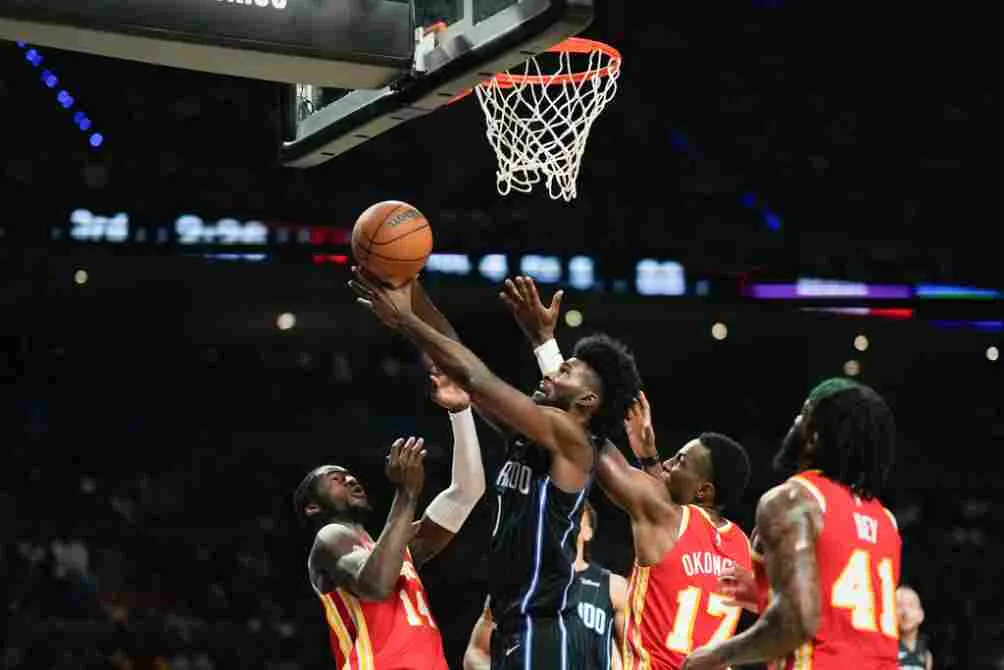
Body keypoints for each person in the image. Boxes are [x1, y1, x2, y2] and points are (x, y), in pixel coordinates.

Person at [349, 270, 642, 670]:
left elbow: (476, 378)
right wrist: (411, 286)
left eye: (565, 372)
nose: (552, 372)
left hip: (543, 631)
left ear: (587, 401)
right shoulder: (530, 437)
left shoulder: (572, 439)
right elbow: (461, 362)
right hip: (512, 629)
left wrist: (406, 321)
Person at [500, 275, 754, 670]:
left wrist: (546, 348)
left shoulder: (666, 516)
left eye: (679, 462)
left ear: (704, 490)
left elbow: (585, 438)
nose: (668, 463)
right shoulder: (741, 546)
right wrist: (649, 459)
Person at [682, 377, 900, 670]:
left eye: (803, 414)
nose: (795, 421)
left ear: (814, 436)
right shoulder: (886, 521)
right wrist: (760, 589)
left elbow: (797, 621)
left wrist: (717, 656)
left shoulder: (794, 499)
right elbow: (841, 618)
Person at [293, 369, 485, 670]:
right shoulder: (330, 538)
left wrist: (461, 412)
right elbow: (376, 585)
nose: (349, 478)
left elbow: (467, 492)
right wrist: (406, 494)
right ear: (312, 507)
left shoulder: (398, 549)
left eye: (350, 474)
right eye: (335, 478)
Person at [463, 501, 629, 670]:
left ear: (588, 531)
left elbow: (634, 657)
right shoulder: (514, 580)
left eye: (573, 515)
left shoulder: (613, 586)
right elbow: (475, 653)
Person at [896, 586, 933, 670]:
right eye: (898, 605)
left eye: (911, 605)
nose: (905, 612)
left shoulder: (926, 655)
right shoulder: (883, 650)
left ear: (921, 615)